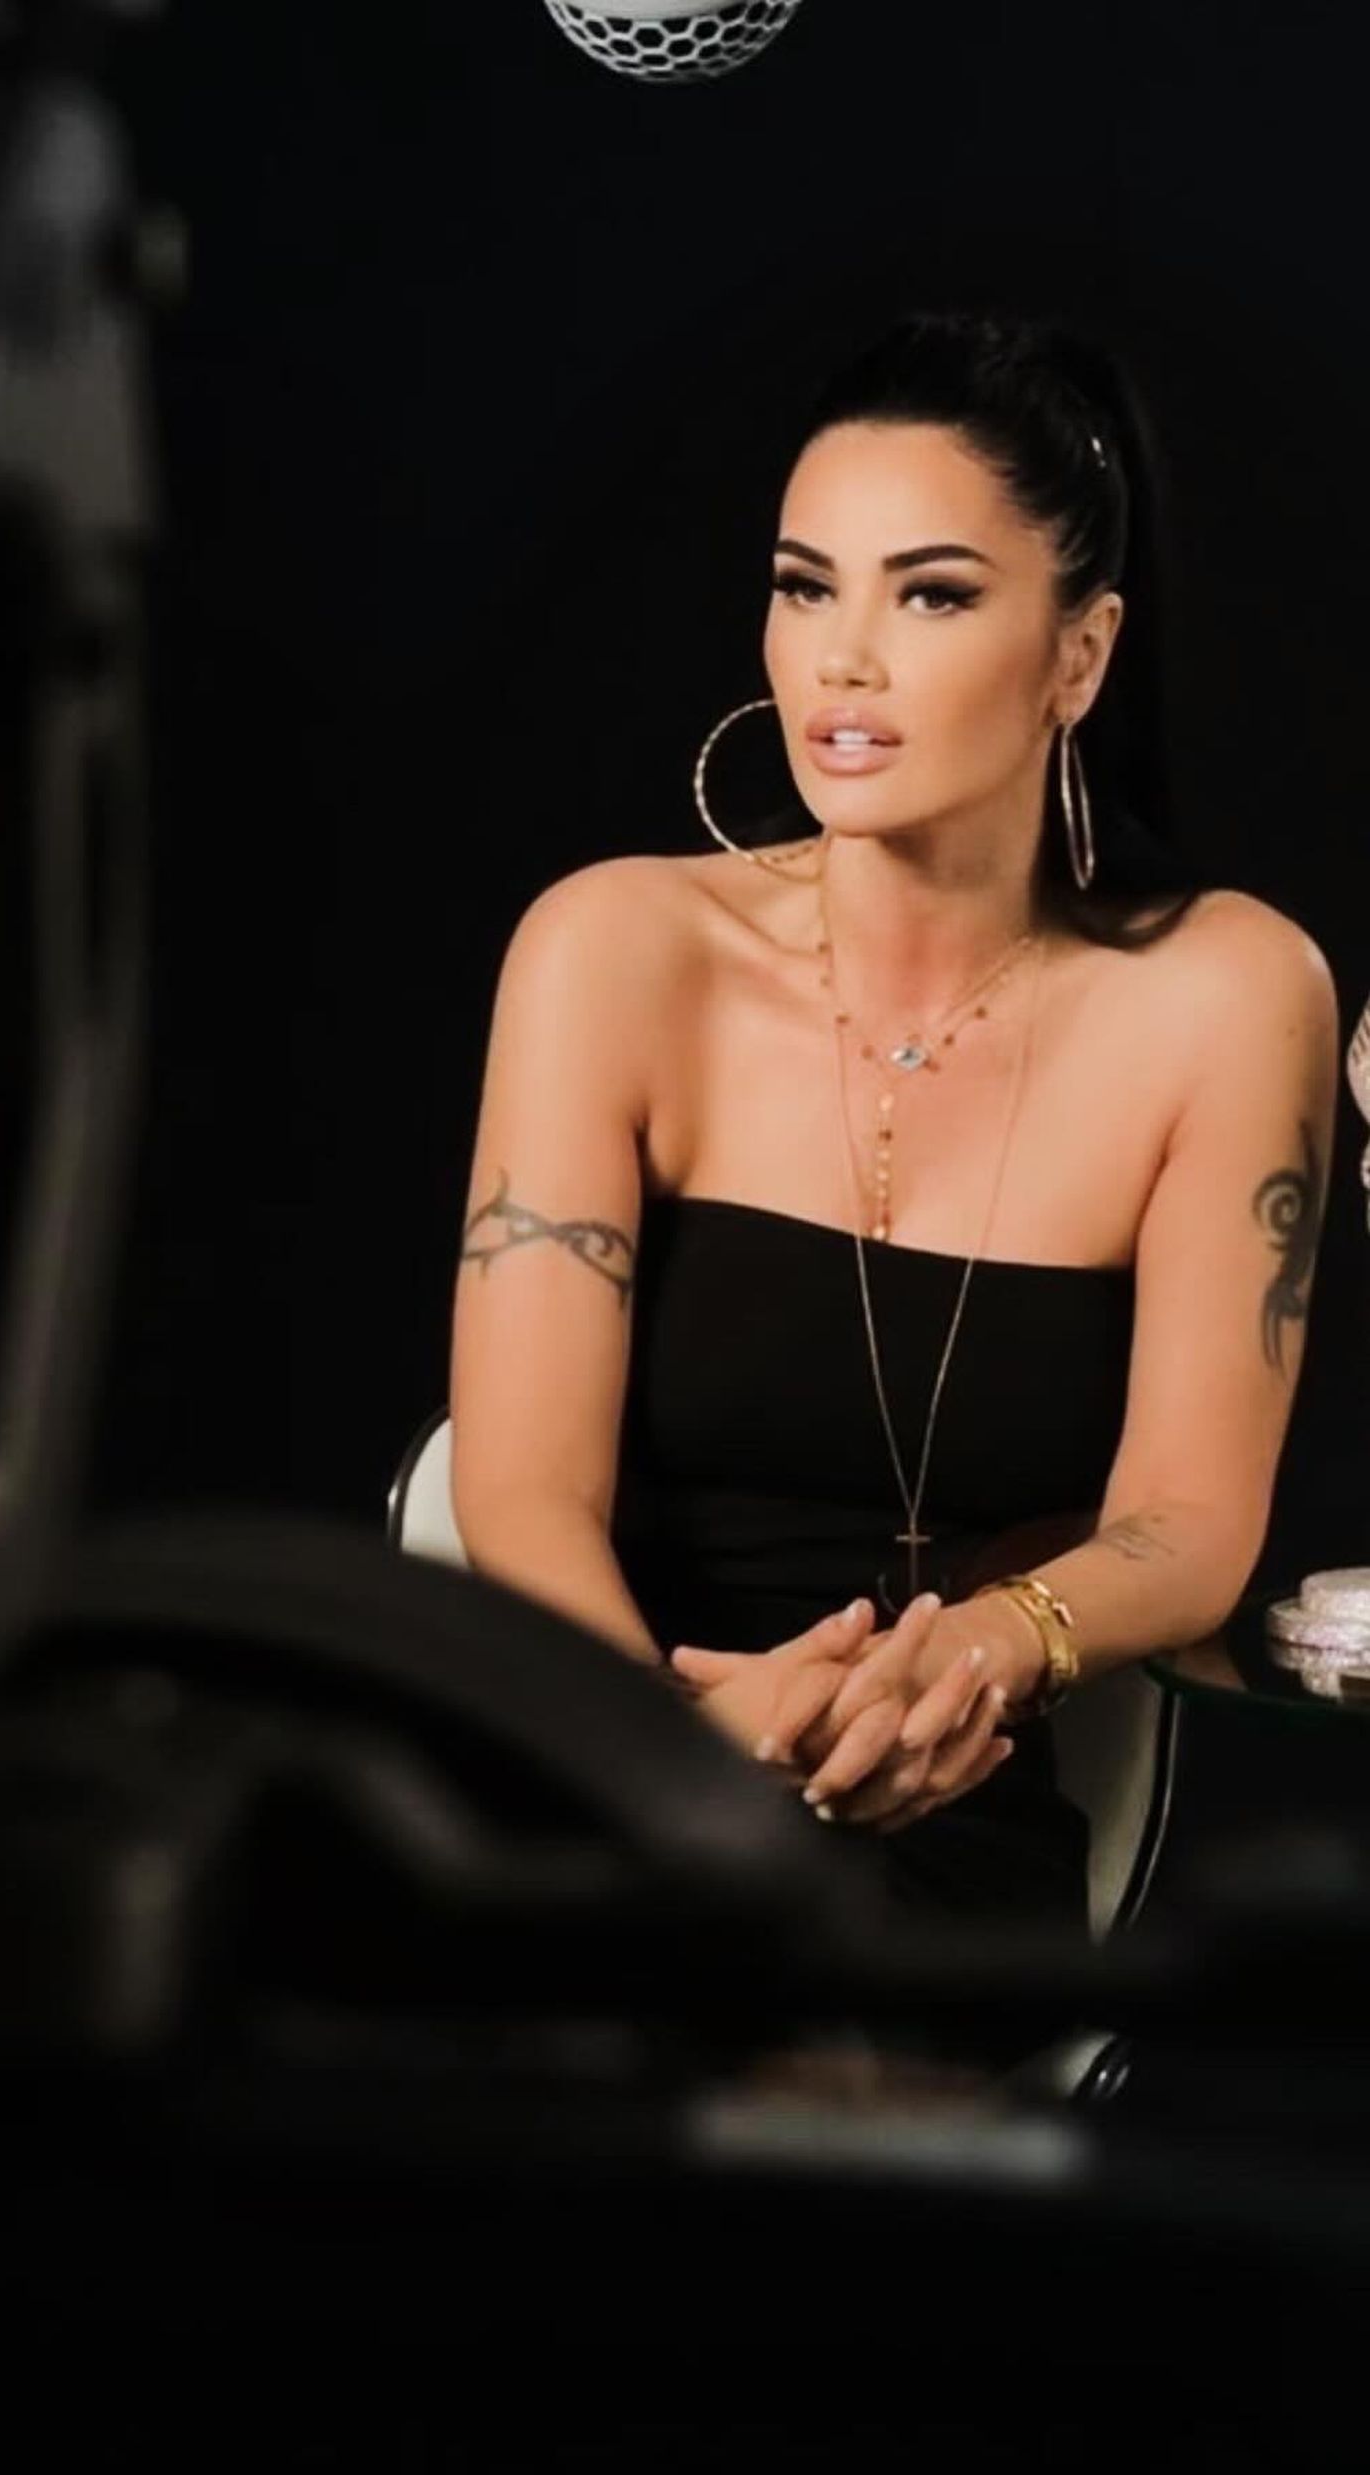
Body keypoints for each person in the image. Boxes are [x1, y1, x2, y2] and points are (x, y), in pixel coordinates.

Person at [448, 308, 1339, 1942]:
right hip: (608, 1759)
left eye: (931, 594)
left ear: (1080, 655)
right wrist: (680, 1744)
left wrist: (996, 1647)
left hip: (940, 1805)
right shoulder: (612, 949)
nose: (842, 659)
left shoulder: (1229, 993)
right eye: (807, 587)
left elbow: (1194, 1522)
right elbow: (518, 1492)